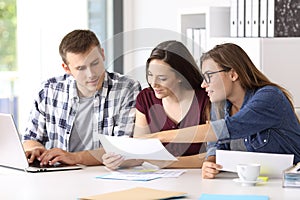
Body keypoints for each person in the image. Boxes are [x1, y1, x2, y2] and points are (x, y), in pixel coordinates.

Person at [22, 29, 141, 167]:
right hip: (59, 177)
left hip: (104, 175)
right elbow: (30, 138)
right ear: (66, 68)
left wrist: (75, 158)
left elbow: (123, 148)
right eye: (80, 68)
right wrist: (34, 149)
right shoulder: (49, 90)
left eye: (95, 63)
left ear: (102, 54)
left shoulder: (127, 88)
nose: (91, 74)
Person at [102, 40, 210, 170]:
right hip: (161, 180)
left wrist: (167, 163)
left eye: (162, 78)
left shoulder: (206, 98)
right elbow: (140, 151)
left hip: (199, 177)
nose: (153, 83)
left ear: (181, 76)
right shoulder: (146, 98)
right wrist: (119, 160)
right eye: (150, 75)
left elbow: (212, 155)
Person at [199, 43, 300, 178]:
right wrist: (210, 162)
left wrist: (162, 136)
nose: (203, 84)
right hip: (246, 184)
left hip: (289, 183)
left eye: (208, 76)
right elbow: (216, 145)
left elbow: (228, 128)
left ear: (233, 74)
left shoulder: (269, 97)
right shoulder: (219, 105)